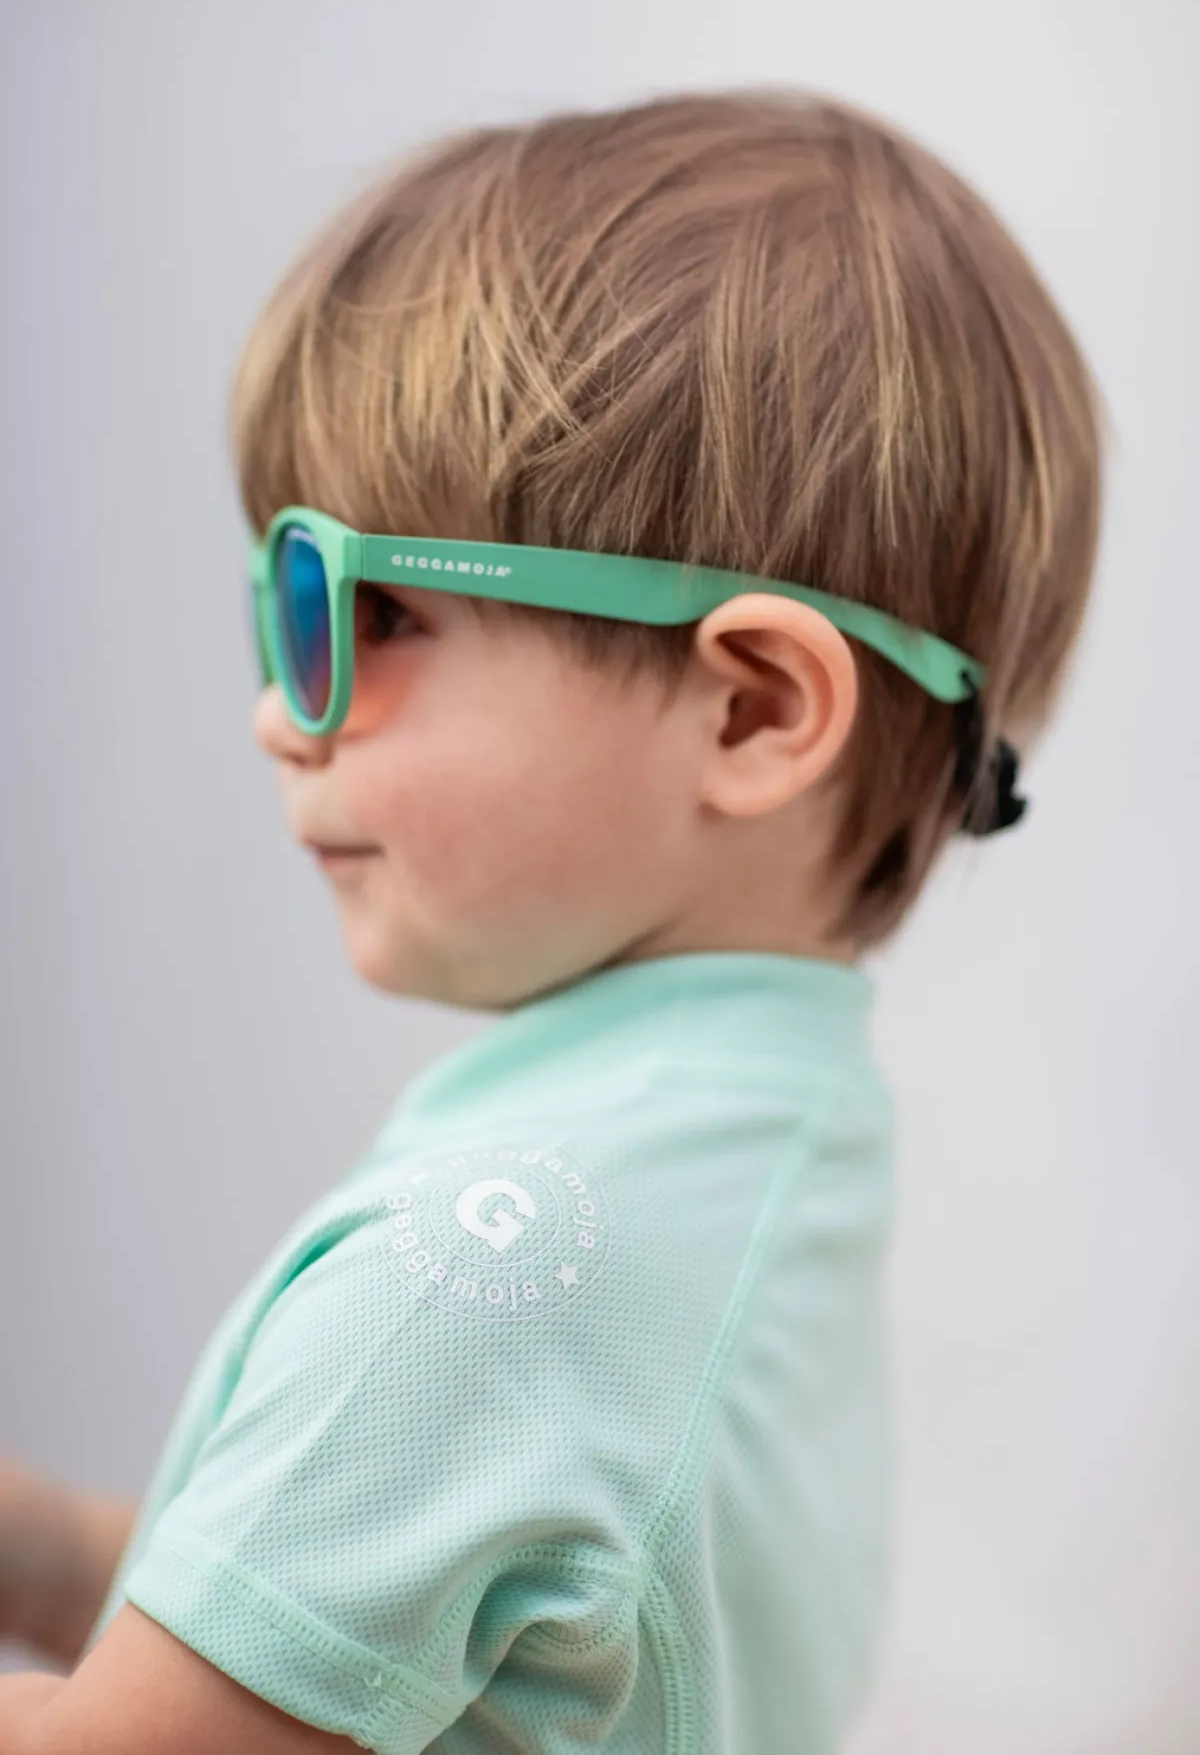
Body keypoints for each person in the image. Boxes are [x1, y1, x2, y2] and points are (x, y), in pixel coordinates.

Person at [0, 86, 1103, 1753]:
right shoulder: (771, 1157)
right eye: (285, 609)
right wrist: (47, 1547)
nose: (281, 711)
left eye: (365, 607)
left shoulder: (486, 1278)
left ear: (749, 709)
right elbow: (326, 1635)